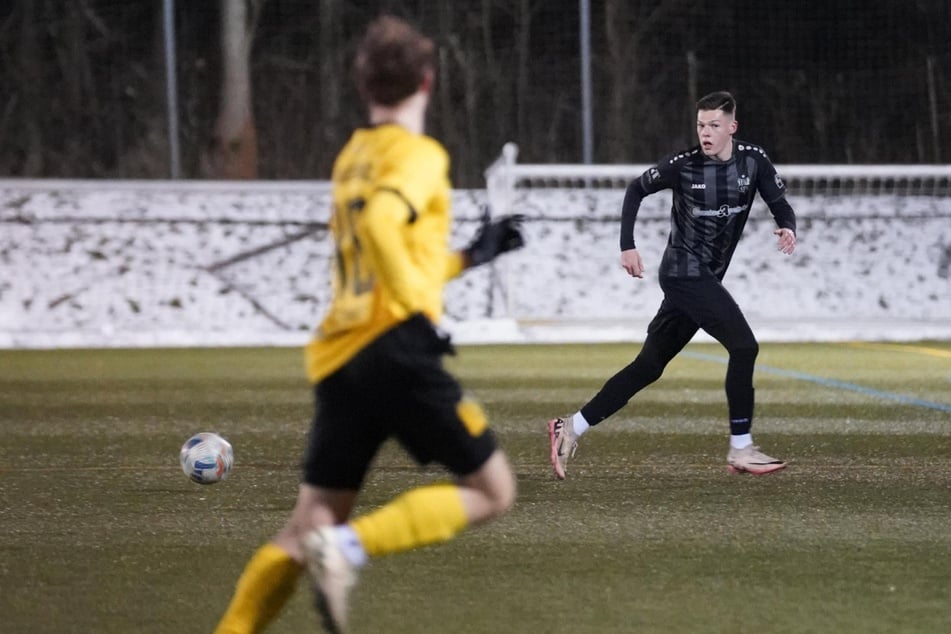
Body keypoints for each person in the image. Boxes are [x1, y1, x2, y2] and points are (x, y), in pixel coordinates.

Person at [215, 15, 521, 634]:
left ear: (364, 87)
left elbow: (389, 255)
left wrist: (470, 255)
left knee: (307, 525)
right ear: (427, 84)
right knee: (493, 490)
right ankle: (350, 550)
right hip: (395, 347)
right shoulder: (420, 155)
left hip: (340, 355)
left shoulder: (352, 156)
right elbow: (384, 226)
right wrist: (416, 314)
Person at [548, 90, 797, 480]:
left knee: (648, 366)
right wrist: (627, 246)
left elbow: (779, 203)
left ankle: (571, 426)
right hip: (682, 273)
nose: (706, 132)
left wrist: (788, 227)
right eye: (701, 125)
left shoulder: (754, 160)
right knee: (744, 346)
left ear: (732, 127)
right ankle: (741, 448)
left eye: (714, 125)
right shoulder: (683, 165)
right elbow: (635, 189)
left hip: (702, 279)